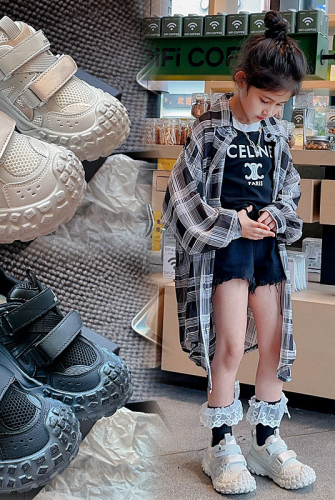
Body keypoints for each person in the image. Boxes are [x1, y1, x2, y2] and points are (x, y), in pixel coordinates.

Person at [162, 11, 316, 495]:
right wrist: (233, 224)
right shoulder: (209, 128)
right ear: (242, 81)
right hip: (223, 253)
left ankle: (266, 441)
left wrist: (274, 215)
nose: (271, 111)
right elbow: (181, 194)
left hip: (265, 251)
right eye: (265, 100)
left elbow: (289, 186)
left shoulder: (275, 133)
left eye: (280, 104)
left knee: (274, 345)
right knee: (228, 346)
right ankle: (221, 445)